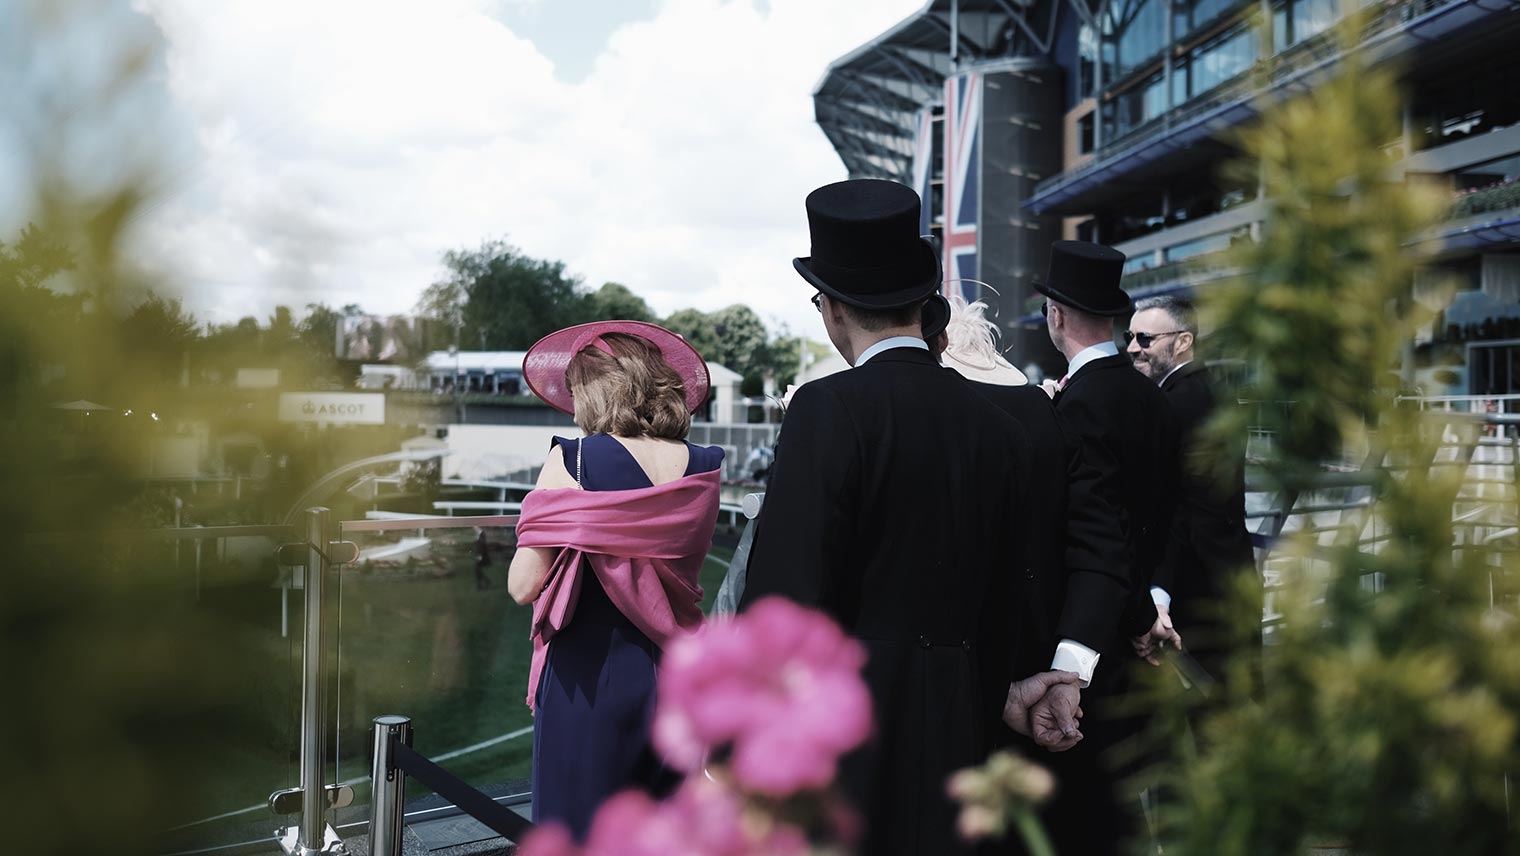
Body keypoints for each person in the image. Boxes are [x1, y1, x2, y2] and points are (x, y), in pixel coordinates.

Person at [741, 178, 1080, 856]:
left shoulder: (825, 409)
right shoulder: (1000, 427)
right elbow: (1015, 590)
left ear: (832, 309)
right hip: (967, 720)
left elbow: (784, 598)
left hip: (848, 729)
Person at [923, 293, 1136, 856]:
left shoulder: (930, 426)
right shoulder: (1049, 418)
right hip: (1063, 717)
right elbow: (1102, 550)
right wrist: (1068, 672)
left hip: (954, 722)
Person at [508, 321, 725, 840]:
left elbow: (523, 585)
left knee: (578, 835)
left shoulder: (575, 459)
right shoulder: (704, 467)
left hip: (589, 678)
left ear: (595, 392)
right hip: (674, 675)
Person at [1036, 240, 1182, 853]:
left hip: (1085, 640)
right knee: (1120, 803)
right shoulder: (1154, 396)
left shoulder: (1078, 404)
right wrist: (1154, 610)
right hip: (1137, 629)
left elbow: (1098, 533)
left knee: (1085, 813)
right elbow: (1163, 516)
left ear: (1056, 314)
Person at [1126, 295, 1259, 688]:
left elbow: (1175, 505)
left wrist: (1159, 593)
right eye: (1130, 336)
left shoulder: (1173, 404)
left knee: (1209, 710)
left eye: (1146, 339)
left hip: (1195, 586)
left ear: (1182, 341)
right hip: (1230, 574)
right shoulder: (1212, 391)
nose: (1134, 347)